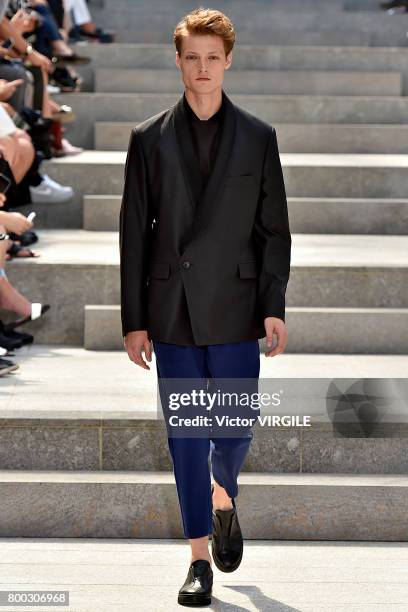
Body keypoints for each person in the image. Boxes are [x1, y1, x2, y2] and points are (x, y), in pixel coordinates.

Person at [119, 7, 291, 607]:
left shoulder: (259, 136)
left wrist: (274, 303)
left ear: (228, 61)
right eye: (191, 57)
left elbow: (274, 231)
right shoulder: (147, 140)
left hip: (240, 304)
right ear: (178, 61)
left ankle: (224, 493)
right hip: (171, 310)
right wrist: (133, 319)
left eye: (212, 57)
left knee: (235, 426)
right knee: (186, 434)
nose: (202, 68)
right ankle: (198, 560)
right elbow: (134, 231)